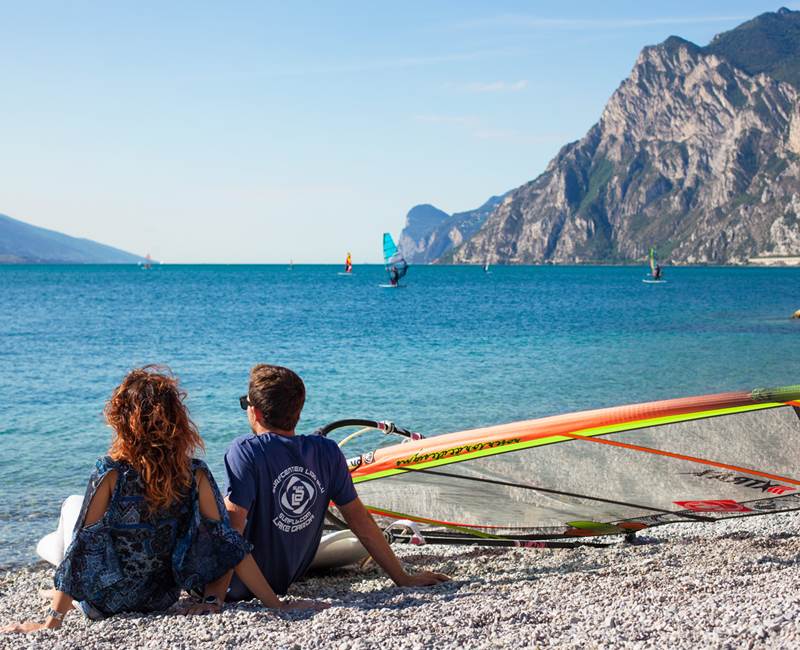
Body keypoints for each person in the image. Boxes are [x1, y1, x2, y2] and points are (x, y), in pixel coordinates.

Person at [1, 367, 316, 635]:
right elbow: (228, 543)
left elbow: (83, 548)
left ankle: (60, 599)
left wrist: (50, 624)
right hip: (159, 597)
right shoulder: (195, 474)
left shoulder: (110, 472)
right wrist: (277, 604)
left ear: (122, 420)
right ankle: (58, 593)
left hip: (104, 603)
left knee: (72, 508)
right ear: (177, 421)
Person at [222, 364, 450, 601]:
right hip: (281, 579)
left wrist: (220, 598)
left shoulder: (246, 451)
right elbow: (359, 520)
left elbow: (231, 532)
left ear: (256, 412)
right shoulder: (326, 452)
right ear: (298, 411)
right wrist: (402, 578)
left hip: (235, 586)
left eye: (244, 403)